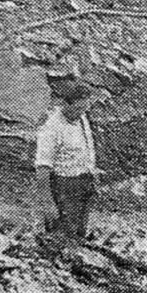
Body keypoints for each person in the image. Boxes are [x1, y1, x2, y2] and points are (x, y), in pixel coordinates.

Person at [34, 82, 97, 243]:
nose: (80, 113)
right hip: (64, 187)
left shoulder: (81, 117)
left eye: (84, 109)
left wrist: (90, 172)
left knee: (79, 232)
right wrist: (48, 204)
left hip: (83, 182)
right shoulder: (51, 129)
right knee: (62, 237)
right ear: (65, 104)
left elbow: (85, 146)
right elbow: (42, 169)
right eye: (77, 109)